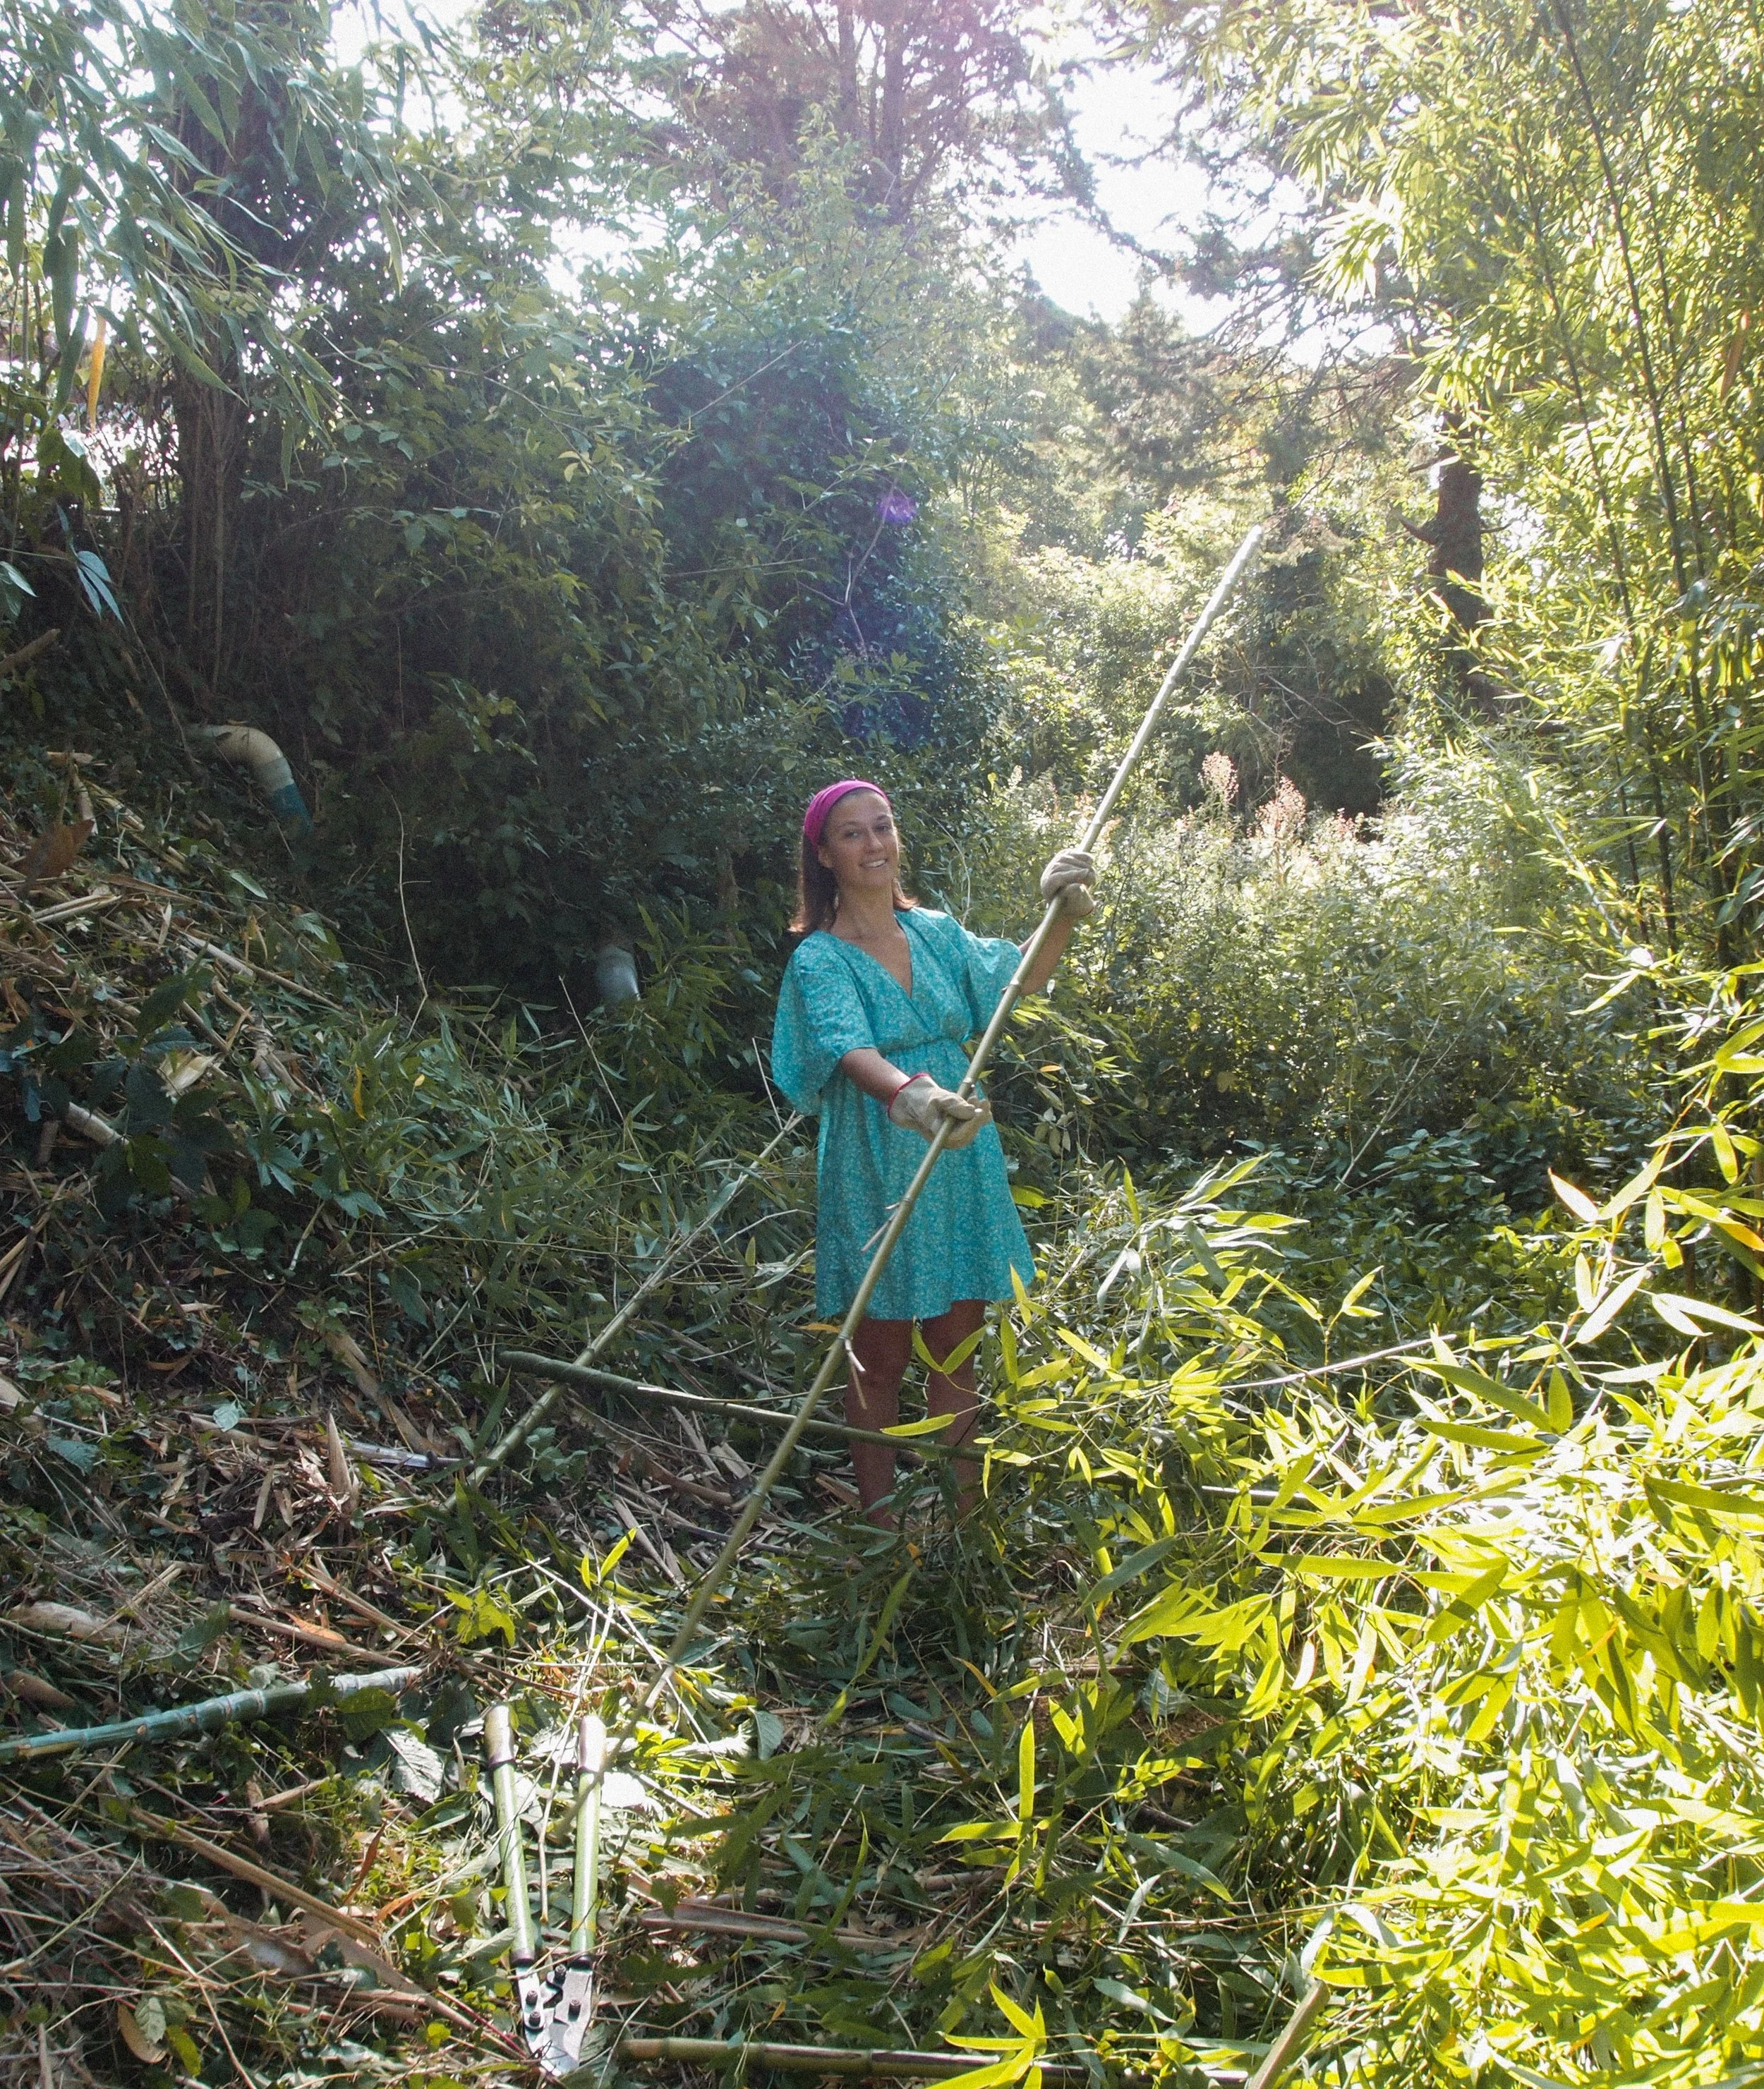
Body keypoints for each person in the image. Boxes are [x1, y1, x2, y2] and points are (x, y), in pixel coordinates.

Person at [769, 778, 1095, 1525]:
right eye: (852, 834)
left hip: (959, 1153)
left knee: (956, 1347)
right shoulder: (820, 960)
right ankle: (881, 1523)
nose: (873, 844)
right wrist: (910, 1096)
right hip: (878, 1158)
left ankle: (962, 1517)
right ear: (824, 855)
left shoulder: (937, 934)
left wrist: (1061, 915)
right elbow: (848, 1047)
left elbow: (1018, 983)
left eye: (881, 827)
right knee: (879, 1356)